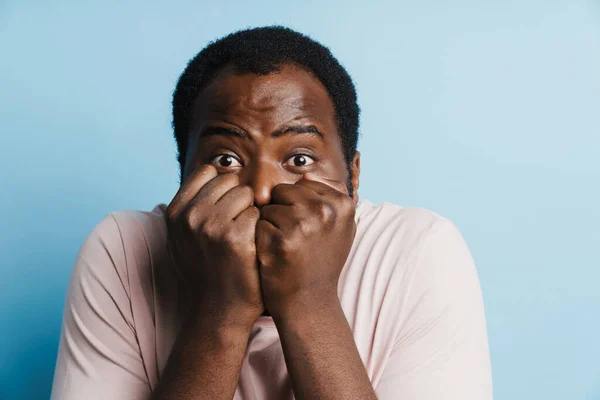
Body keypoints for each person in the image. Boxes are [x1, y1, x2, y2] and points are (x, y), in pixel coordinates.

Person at [50, 26, 493, 400]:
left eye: (299, 159)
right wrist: (222, 307)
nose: (261, 191)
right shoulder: (123, 250)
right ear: (184, 175)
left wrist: (309, 303)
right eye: (226, 159)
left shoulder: (418, 251)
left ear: (352, 179)